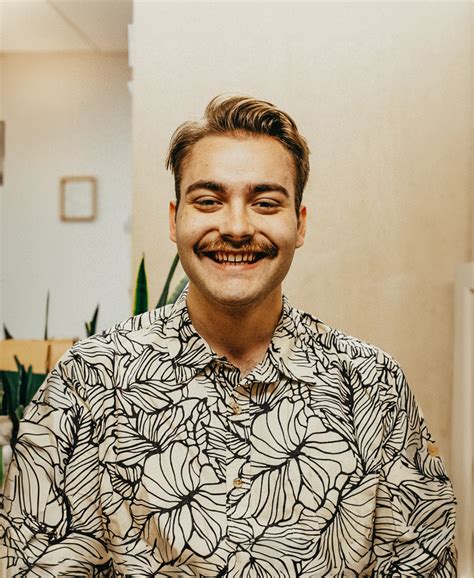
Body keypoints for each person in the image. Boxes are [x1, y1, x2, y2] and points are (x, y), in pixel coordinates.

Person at [1, 96, 456, 577]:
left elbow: (421, 563)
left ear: (299, 223)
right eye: (208, 201)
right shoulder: (89, 380)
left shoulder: (374, 387)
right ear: (174, 219)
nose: (237, 227)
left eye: (265, 203)